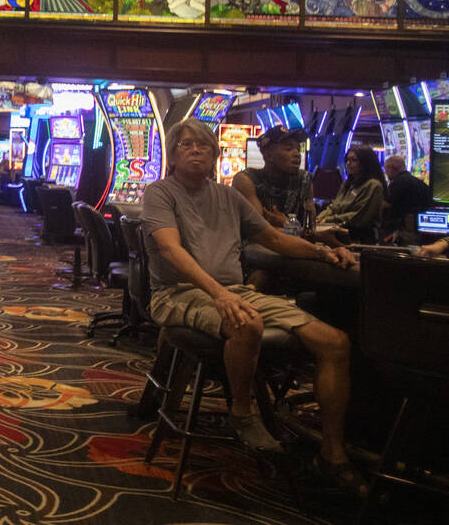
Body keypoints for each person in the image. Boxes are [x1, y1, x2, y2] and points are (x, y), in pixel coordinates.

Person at [141, 118, 365, 494]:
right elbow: (170, 249)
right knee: (247, 322)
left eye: (204, 145)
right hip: (176, 292)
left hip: (231, 290)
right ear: (173, 155)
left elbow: (274, 238)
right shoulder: (160, 193)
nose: (196, 150)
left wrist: (323, 252)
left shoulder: (228, 196)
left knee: (335, 342)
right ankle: (241, 414)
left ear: (215, 154)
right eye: (186, 145)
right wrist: (221, 293)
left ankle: (331, 454)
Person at [232, 125, 315, 231]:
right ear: (269, 154)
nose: (297, 154)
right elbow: (259, 231)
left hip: (297, 246)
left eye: (298, 149)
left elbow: (311, 229)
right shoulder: (247, 180)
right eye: (288, 149)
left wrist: (285, 223)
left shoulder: (304, 180)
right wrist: (290, 225)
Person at [315, 146, 385, 242]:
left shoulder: (373, 185)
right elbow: (334, 206)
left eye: (354, 160)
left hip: (358, 237)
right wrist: (320, 218)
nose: (348, 163)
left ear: (366, 163)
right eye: (347, 160)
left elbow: (359, 216)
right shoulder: (347, 184)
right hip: (337, 232)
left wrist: (328, 220)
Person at [381, 155, 433, 240]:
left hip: (405, 230)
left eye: (385, 168)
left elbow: (386, 204)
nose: (385, 172)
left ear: (391, 167)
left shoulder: (398, 182)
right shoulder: (419, 183)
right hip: (423, 227)